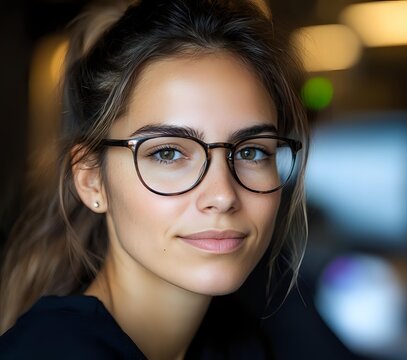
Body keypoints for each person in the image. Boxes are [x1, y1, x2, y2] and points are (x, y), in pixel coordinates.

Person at [0, 0, 309, 358]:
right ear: (90, 180)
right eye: (168, 153)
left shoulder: (246, 340)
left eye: (251, 152)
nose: (224, 195)